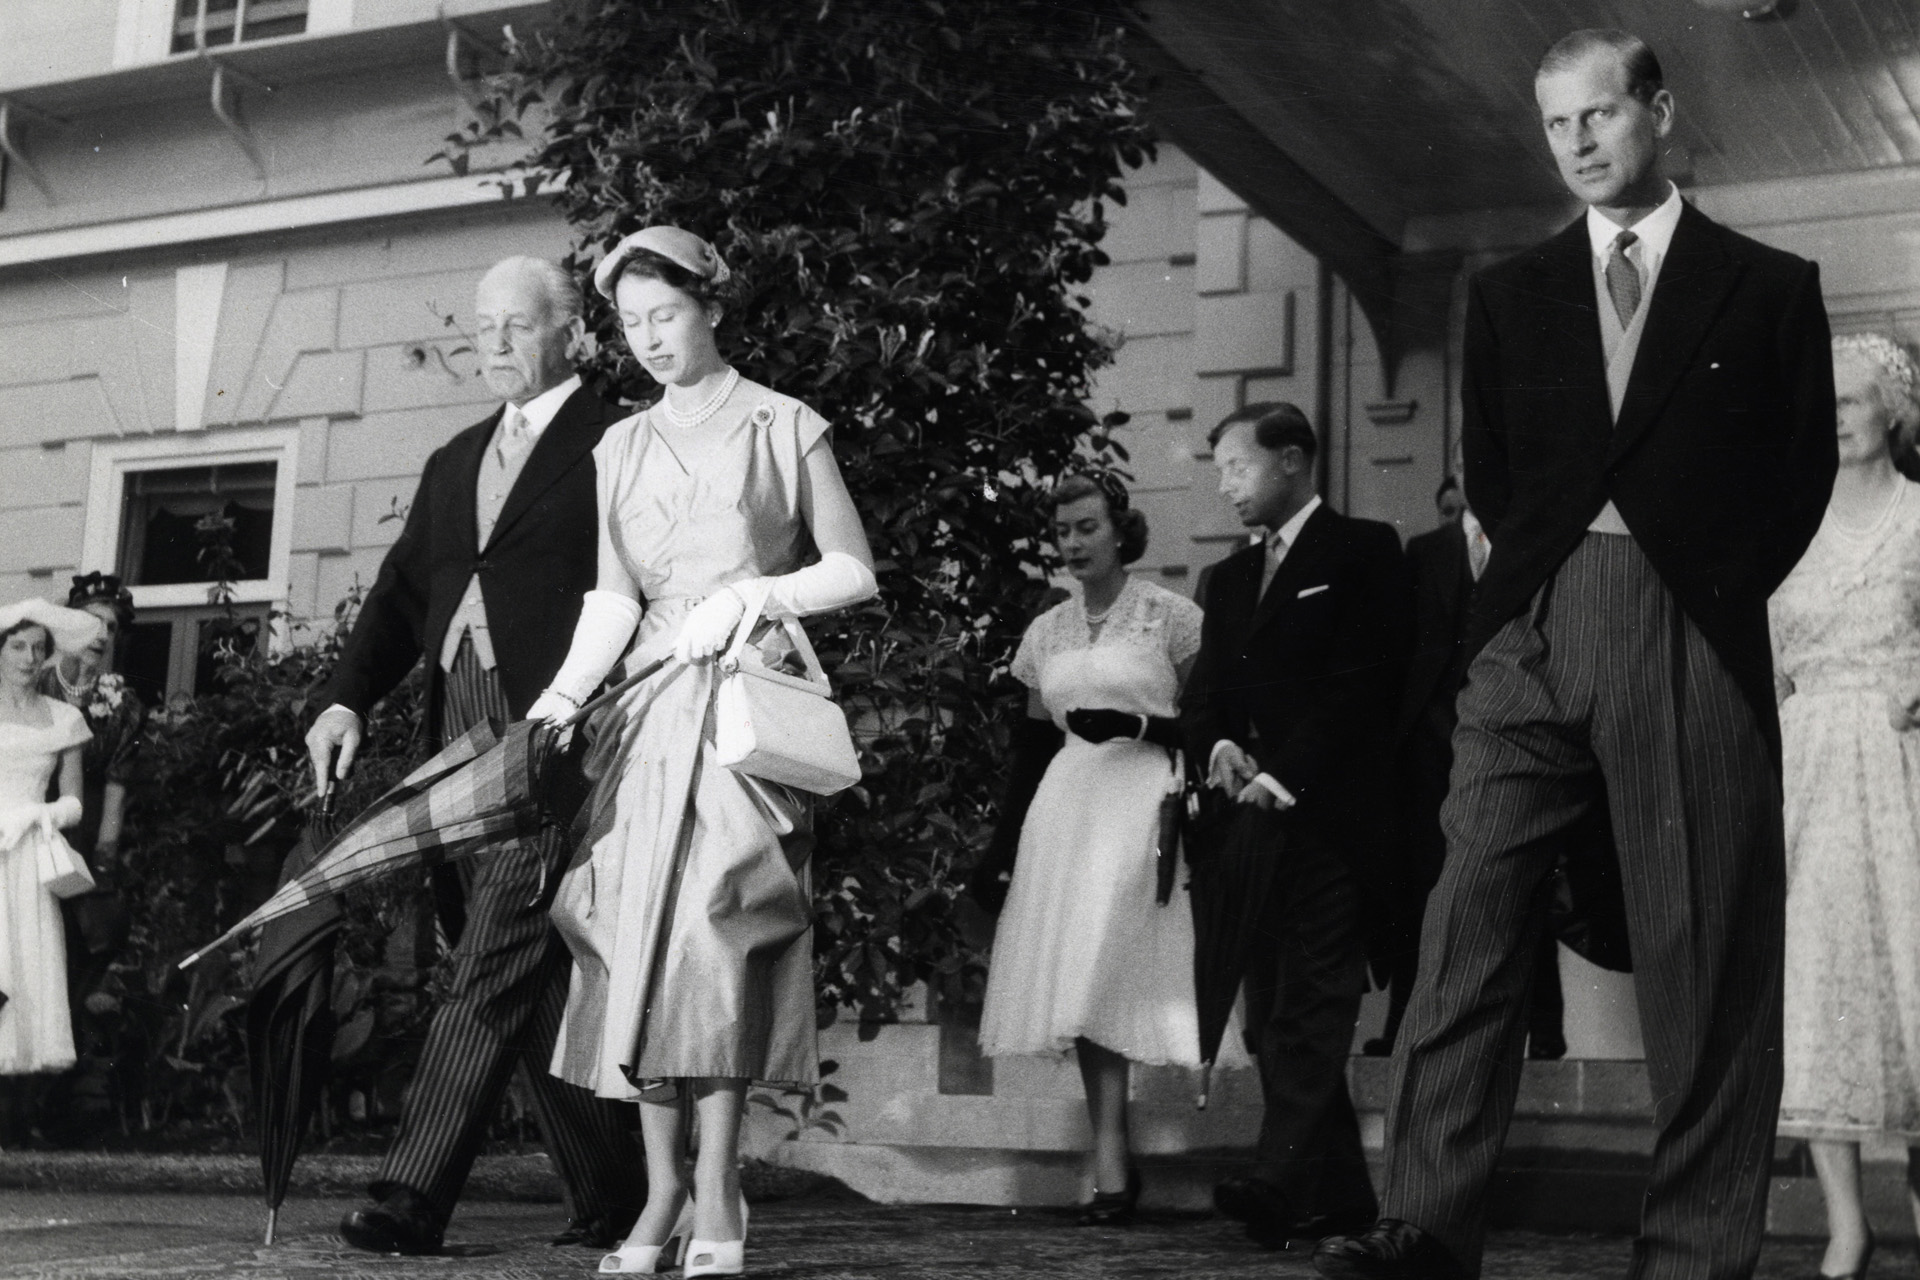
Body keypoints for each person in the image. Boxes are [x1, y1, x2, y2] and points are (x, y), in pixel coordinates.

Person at [1316, 29, 1836, 1280]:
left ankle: (1697, 1252)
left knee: (1702, 953)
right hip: (1531, 624)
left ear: (1657, 109)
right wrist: (1520, 595)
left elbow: (1802, 471)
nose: (1580, 143)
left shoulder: (1766, 286)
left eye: (1601, 115)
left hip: (1687, 624)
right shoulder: (1510, 293)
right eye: (1557, 125)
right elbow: (1492, 470)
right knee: (1467, 922)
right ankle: (1427, 1227)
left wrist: (1704, 586)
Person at [527, 225, 877, 1276]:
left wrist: (750, 594)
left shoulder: (783, 423)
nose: (649, 340)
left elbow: (852, 566)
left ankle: (720, 1183)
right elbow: (613, 593)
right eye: (631, 324)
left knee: (718, 936)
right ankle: (664, 1185)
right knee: (631, 938)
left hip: (740, 711)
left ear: (712, 307)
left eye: (665, 315)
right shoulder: (618, 445)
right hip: (644, 713)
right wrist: (564, 691)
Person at [305, 255, 643, 1256]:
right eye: (481, 327)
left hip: (557, 731)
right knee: (519, 965)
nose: (491, 342)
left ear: (571, 331)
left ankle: (412, 1192)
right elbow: (404, 591)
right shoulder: (455, 456)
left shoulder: (622, 438)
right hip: (457, 728)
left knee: (492, 953)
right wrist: (342, 697)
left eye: (515, 325)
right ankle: (614, 1188)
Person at [1180, 402, 1411, 1248]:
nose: (1227, 486)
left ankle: (1278, 1179)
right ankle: (1342, 1197)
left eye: (1238, 467)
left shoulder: (1365, 551)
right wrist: (1220, 750)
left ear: (1292, 459)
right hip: (1250, 829)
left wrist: (1286, 772)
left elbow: (1365, 684)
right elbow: (1204, 692)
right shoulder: (1229, 579)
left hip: (1334, 825)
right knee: (1268, 1009)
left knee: (1309, 1011)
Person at [972, 471, 1204, 1227]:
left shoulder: (1173, 618)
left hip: (1145, 800)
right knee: (1080, 977)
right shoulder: (1048, 631)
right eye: (1063, 531)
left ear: (1120, 529)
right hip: (1068, 809)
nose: (1072, 544)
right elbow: (1033, 746)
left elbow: (1213, 724)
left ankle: (1117, 1150)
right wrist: (1000, 851)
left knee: (1118, 961)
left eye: (1087, 528)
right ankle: (1110, 1151)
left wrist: (1140, 728)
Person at [1771, 333, 1920, 1280]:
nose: (1836, 416)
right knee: (1819, 987)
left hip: (1906, 772)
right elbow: (1764, 658)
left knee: (1912, 988)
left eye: (1852, 398)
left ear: (1893, 411)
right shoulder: (1787, 527)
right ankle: (1847, 1228)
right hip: (1811, 775)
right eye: (1821, 402)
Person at [1366, 487, 1565, 1061]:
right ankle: (1406, 1020)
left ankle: (1545, 1031)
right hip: (1430, 746)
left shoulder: (1536, 538)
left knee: (1526, 876)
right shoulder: (1424, 551)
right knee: (1423, 888)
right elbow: (1401, 648)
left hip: (1513, 737)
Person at [37, 573, 144, 1134]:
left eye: (114, 626)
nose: (103, 634)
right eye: (94, 621)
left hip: (83, 831)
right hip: (27, 819)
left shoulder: (122, 703)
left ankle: (51, 1102)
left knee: (77, 960)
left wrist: (103, 858)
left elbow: (119, 784)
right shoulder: (34, 684)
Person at [0, 601, 104, 1119]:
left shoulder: (64, 717)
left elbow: (75, 802)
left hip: (28, 860)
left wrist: (34, 817)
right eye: (17, 646)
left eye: (39, 647)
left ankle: (13, 1125)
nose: (29, 657)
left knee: (24, 974)